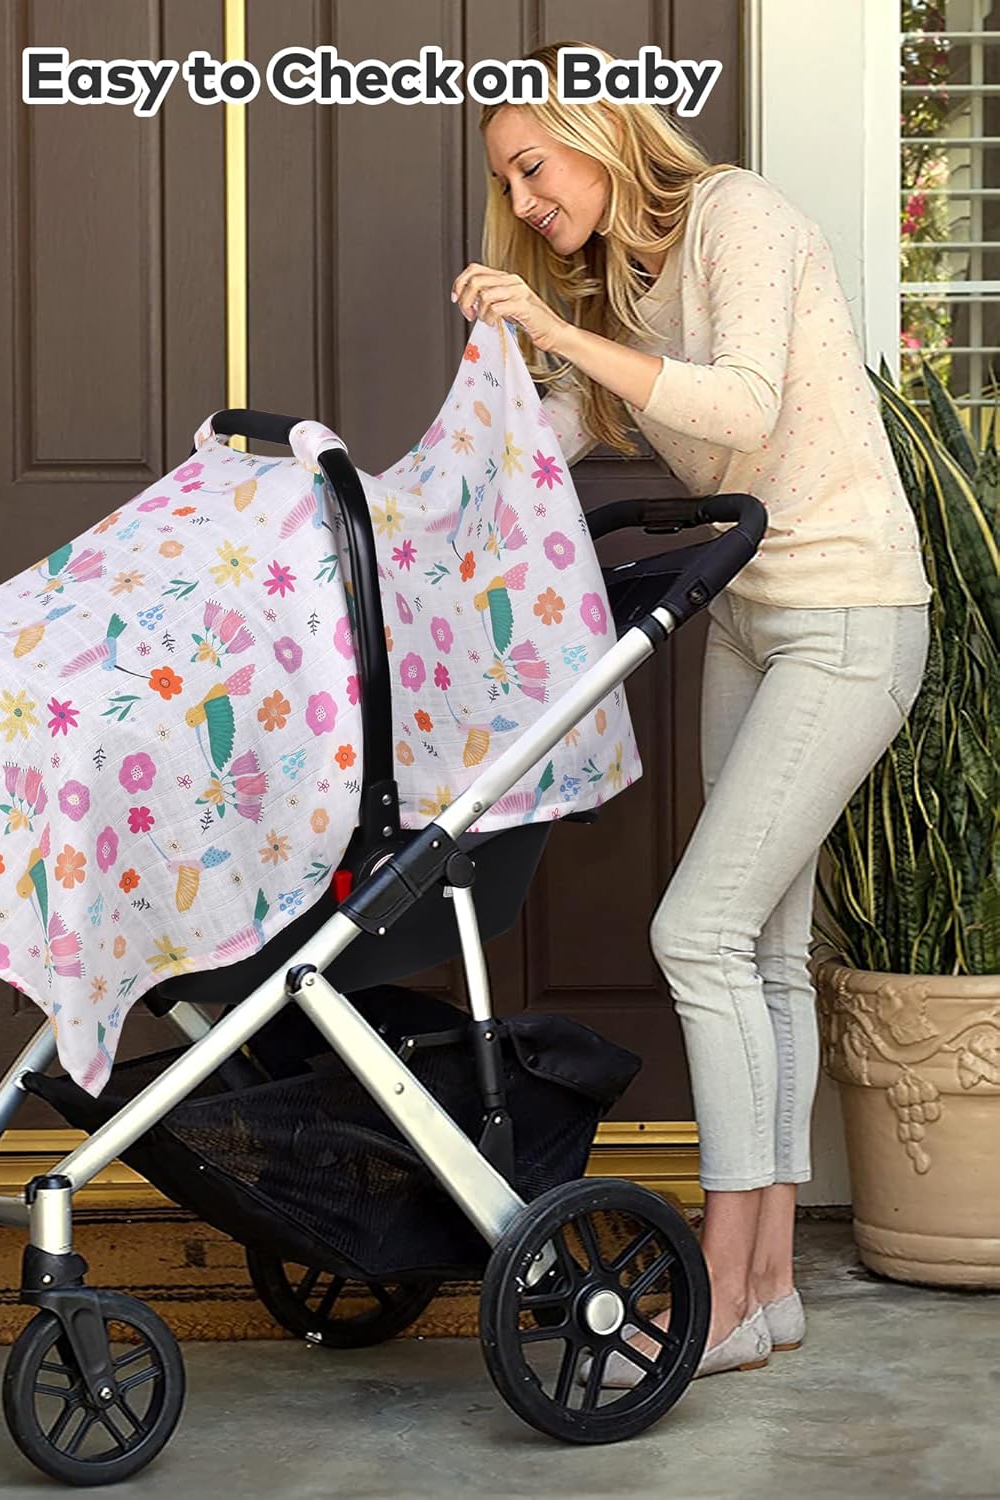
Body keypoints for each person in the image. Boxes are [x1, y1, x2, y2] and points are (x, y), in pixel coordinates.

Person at [452, 41, 931, 1382]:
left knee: (698, 934)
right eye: (507, 185)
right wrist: (484, 414)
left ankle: (712, 1298)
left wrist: (557, 332)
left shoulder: (737, 216)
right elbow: (563, 430)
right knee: (764, 956)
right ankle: (766, 1292)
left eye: (532, 168)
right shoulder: (615, 281)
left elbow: (746, 408)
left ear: (598, 133)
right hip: (749, 613)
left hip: (848, 615)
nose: (525, 202)